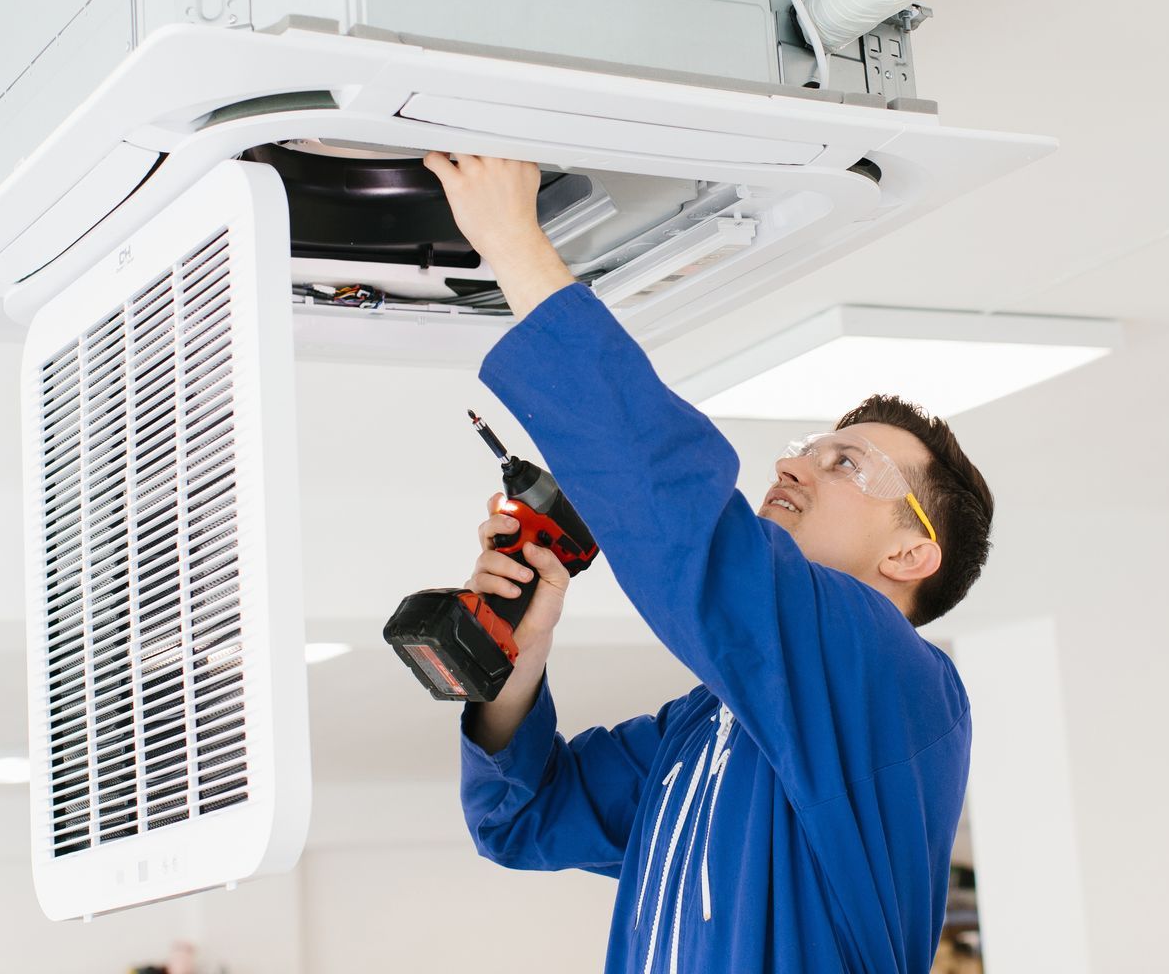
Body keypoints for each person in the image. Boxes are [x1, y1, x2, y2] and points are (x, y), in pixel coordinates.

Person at [422, 152, 995, 974]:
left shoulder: (899, 681)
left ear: (912, 552)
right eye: (806, 450)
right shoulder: (705, 728)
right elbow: (525, 821)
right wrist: (522, 654)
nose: (791, 467)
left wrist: (516, 242)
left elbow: (690, 531)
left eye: (847, 465)